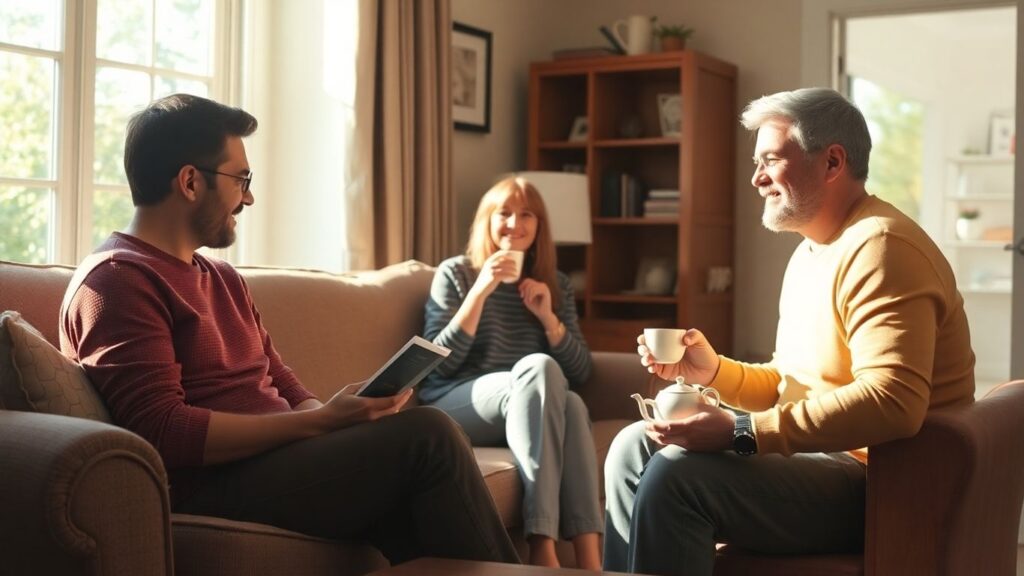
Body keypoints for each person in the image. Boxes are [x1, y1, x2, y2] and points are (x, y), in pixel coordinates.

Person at [59, 93, 519, 566]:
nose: (249, 196)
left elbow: (279, 378)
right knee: (429, 435)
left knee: (418, 473)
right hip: (214, 483)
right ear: (191, 182)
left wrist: (341, 417)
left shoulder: (222, 278)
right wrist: (321, 422)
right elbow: (163, 430)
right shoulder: (117, 280)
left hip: (278, 463)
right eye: (241, 179)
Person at [603, 87, 976, 576]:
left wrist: (740, 432)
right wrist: (713, 371)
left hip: (885, 483)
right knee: (632, 447)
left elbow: (894, 402)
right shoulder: (812, 251)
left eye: (771, 160)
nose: (756, 178)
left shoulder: (883, 248)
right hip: (827, 464)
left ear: (832, 161)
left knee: (678, 477)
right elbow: (790, 383)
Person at [420, 176, 603, 569]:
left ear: (539, 228)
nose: (514, 223)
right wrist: (480, 291)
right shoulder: (456, 274)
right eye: (504, 213)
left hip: (529, 407)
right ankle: (542, 542)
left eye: (526, 215)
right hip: (457, 401)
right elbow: (436, 364)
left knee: (570, 401)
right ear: (487, 220)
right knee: (538, 368)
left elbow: (581, 371)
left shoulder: (556, 285)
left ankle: (590, 560)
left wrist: (548, 317)